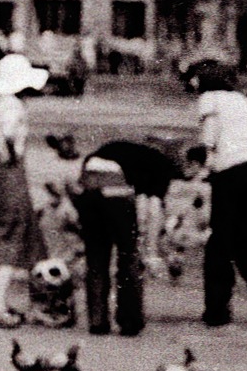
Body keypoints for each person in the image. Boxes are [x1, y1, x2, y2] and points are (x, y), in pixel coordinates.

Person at [54, 136, 186, 336]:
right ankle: (129, 321)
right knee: (128, 255)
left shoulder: (128, 149)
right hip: (115, 186)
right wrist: (150, 251)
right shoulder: (162, 165)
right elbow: (153, 209)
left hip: (89, 182)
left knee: (96, 257)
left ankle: (97, 321)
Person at [192, 62, 247, 327]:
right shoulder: (242, 99)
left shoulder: (210, 99)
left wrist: (205, 166)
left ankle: (217, 309)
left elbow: (209, 140)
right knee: (246, 237)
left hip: (228, 171)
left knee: (220, 241)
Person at [0, 54, 51, 326]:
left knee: (4, 230)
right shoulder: (15, 107)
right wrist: (7, 152)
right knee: (14, 232)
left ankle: (14, 299)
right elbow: (7, 138)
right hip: (11, 174)